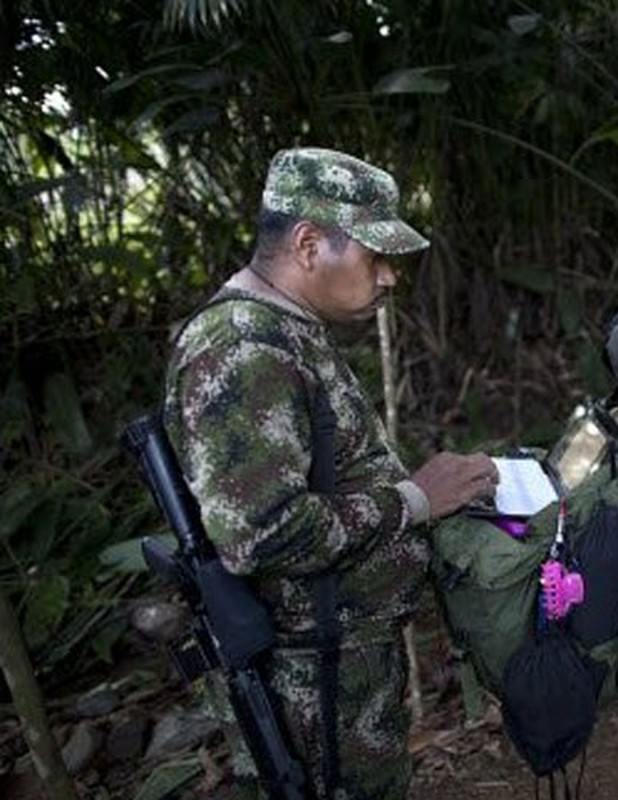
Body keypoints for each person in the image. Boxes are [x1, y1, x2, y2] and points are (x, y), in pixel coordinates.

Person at [162, 147, 499, 798]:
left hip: (339, 665)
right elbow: (259, 534)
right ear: (310, 244)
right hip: (308, 683)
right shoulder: (243, 346)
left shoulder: (285, 331)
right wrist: (413, 502)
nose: (390, 278)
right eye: (375, 258)